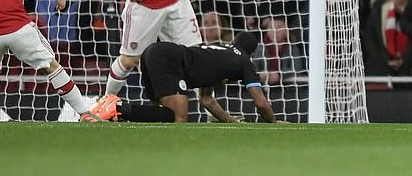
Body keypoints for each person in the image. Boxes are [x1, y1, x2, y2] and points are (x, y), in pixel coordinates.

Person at [92, 32, 280, 123]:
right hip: (168, 58)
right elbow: (261, 103)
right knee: (178, 117)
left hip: (153, 52)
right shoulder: (244, 61)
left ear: (233, 42)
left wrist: (230, 121)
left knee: (165, 115)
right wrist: (273, 121)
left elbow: (206, 99)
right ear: (251, 53)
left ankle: (117, 111)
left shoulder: (221, 52)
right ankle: (116, 107)